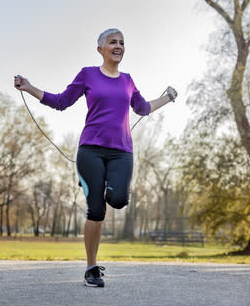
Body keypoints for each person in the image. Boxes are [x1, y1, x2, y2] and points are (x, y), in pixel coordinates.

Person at [14, 28, 178, 287]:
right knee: (96, 209)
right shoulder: (87, 74)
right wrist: (29, 87)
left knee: (118, 199)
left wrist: (167, 98)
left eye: (122, 43)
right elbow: (60, 102)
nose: (119, 46)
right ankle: (91, 268)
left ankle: (106, 184)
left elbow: (143, 108)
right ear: (100, 48)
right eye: (113, 42)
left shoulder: (127, 80)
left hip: (122, 151)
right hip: (90, 149)